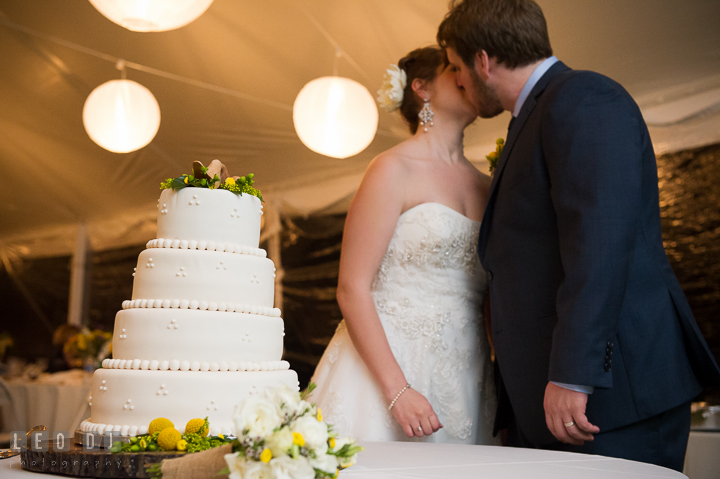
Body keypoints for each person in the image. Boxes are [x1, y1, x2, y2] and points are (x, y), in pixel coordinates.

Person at [436, 0, 720, 470]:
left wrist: (574, 374)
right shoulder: (536, 116)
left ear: (482, 61)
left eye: (455, 66)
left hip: (609, 401)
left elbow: (600, 241)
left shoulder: (582, 96)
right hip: (560, 408)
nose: (458, 79)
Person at [310, 46, 498, 444]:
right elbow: (352, 288)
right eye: (454, 70)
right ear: (422, 88)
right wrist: (398, 392)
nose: (468, 77)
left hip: (467, 374)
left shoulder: (487, 186)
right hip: (389, 370)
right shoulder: (393, 169)